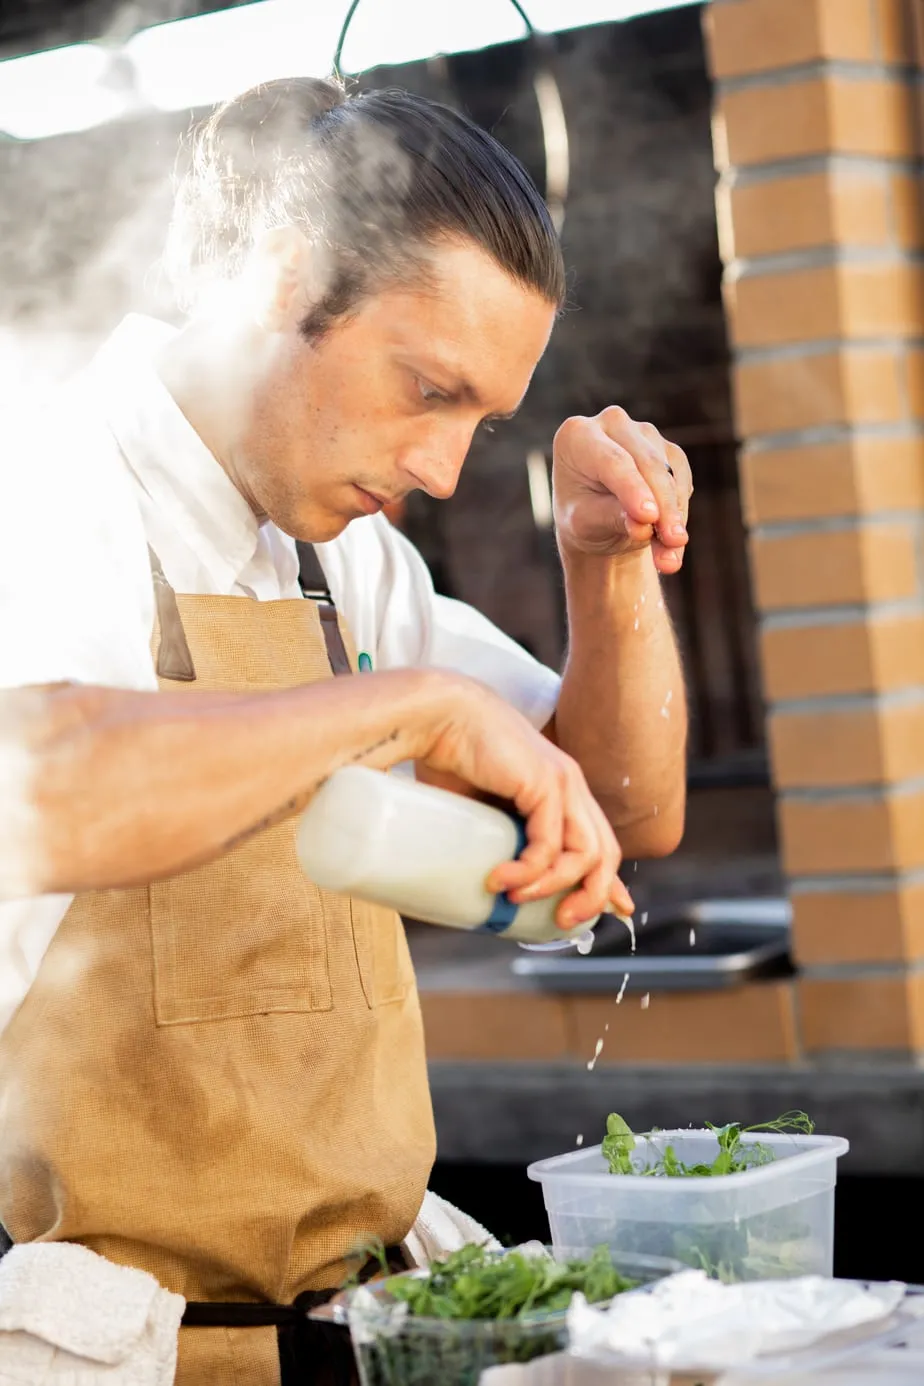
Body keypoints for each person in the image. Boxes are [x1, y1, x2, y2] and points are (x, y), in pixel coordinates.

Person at [0, 77, 690, 1384]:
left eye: (476, 421)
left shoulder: (337, 561)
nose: (440, 471)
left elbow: (623, 806)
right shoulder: (44, 467)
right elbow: (43, 784)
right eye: (425, 388)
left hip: (367, 1335)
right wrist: (415, 704)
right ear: (285, 272)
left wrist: (607, 574)